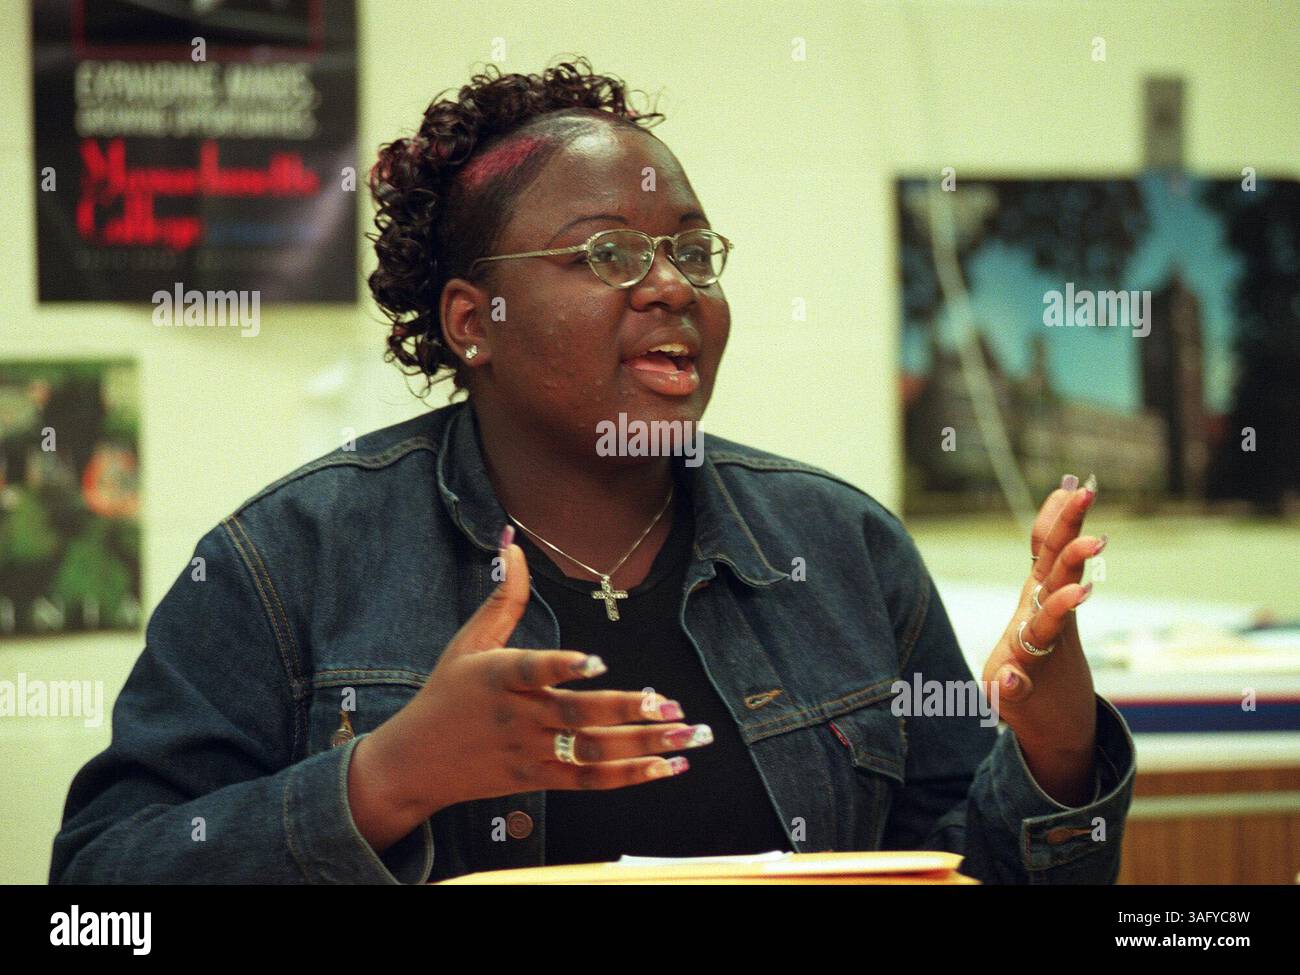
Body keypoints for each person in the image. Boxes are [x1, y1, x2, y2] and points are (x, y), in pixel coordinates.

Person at [50, 58, 1135, 885]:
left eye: (694, 253)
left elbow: (959, 870)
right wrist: (385, 781)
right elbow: (99, 896)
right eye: (608, 253)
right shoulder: (288, 561)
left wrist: (1052, 747)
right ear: (475, 321)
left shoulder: (840, 545)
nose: (672, 286)